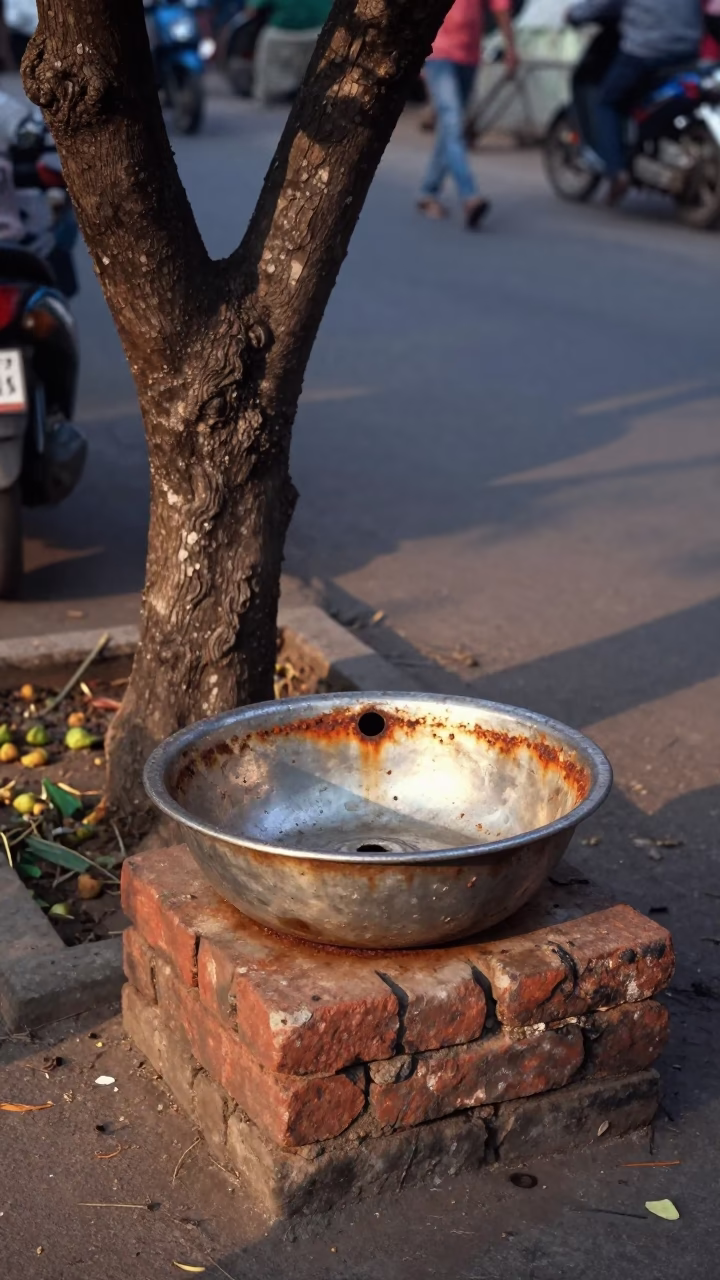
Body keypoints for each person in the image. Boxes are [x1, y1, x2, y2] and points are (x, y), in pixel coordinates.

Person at [566, 0, 703, 203]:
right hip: (687, 51)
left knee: (606, 102)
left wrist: (574, 14)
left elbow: (599, 6)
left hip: (643, 52)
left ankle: (616, 170)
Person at [418, 0, 518, 230]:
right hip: (438, 53)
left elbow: (501, 9)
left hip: (469, 56)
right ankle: (470, 196)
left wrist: (511, 49)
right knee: (453, 124)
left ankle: (427, 191)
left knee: (449, 126)